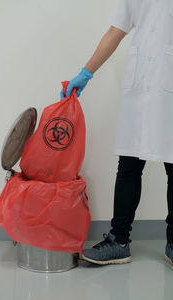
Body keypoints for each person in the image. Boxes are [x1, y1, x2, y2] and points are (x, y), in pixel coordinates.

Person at [60, 0, 173, 267]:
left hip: (167, 91)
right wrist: (86, 72)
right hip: (139, 87)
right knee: (128, 166)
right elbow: (116, 30)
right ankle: (119, 241)